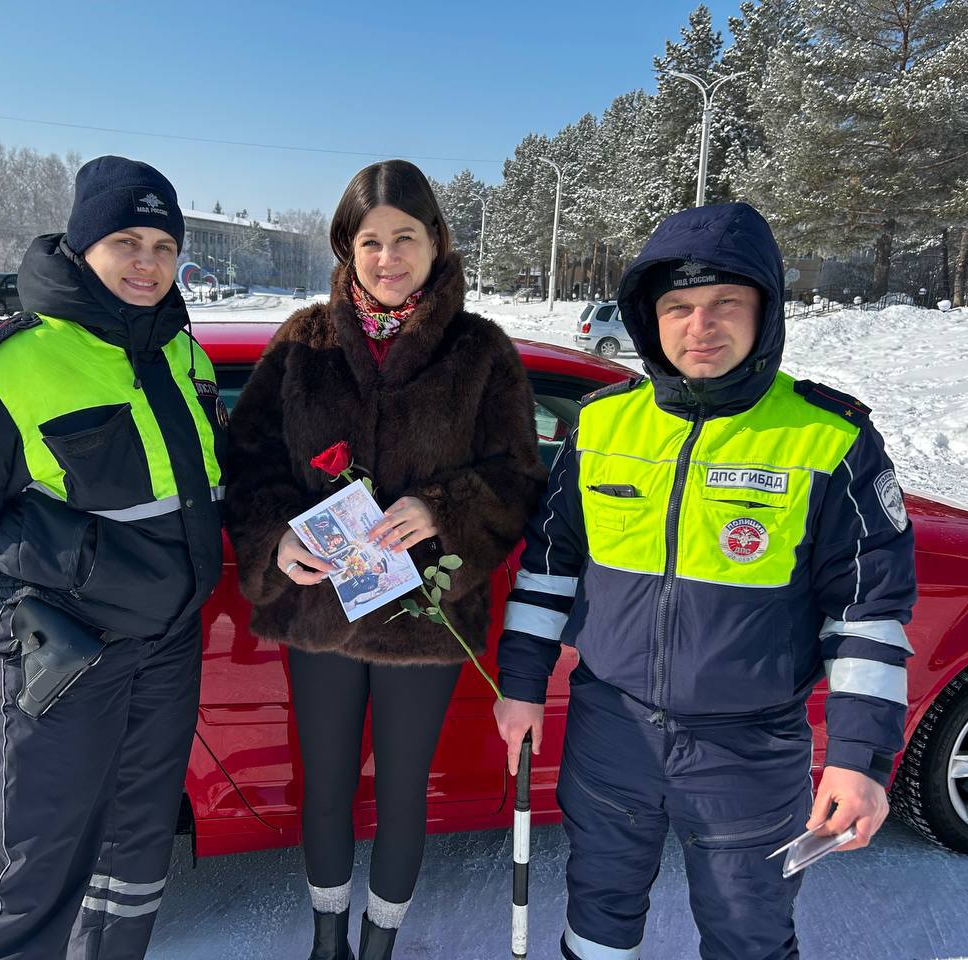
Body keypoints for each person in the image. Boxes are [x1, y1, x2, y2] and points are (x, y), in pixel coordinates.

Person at [493, 202, 917, 960]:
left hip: (748, 749)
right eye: (678, 307)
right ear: (648, 318)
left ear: (765, 310)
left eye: (726, 302)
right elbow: (548, 570)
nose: (701, 326)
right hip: (610, 728)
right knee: (597, 915)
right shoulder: (601, 426)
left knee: (749, 932)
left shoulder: (831, 437)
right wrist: (521, 687)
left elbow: (867, 616)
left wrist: (858, 758)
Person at [0, 156, 226, 960]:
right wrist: (16, 639)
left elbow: (209, 488)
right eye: (127, 242)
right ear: (82, 246)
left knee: (137, 849)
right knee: (38, 863)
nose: (148, 262)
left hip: (169, 644)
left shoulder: (183, 355)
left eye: (163, 244)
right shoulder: (5, 364)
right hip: (70, 655)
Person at [225, 159, 545, 960]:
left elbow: (518, 476)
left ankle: (378, 946)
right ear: (347, 248)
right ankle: (326, 941)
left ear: (436, 243)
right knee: (326, 788)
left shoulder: (480, 352)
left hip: (423, 620)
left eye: (406, 238)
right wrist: (277, 540)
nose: (388, 257)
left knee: (403, 792)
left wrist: (444, 510)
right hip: (320, 610)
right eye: (370, 241)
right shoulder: (302, 344)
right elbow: (248, 464)